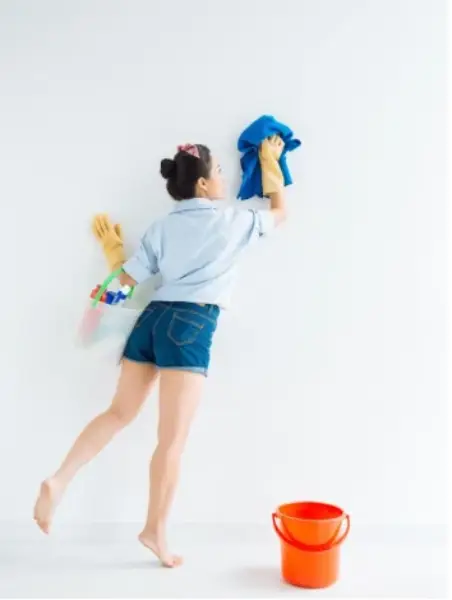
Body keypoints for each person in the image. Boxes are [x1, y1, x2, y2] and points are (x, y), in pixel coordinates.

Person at [33, 136, 287, 567]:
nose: (224, 178)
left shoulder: (161, 227)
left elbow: (127, 282)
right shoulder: (232, 222)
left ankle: (59, 479)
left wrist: (102, 298)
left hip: (151, 320)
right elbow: (280, 213)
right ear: (204, 186)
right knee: (171, 441)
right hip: (192, 324)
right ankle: (155, 531)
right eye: (220, 173)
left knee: (118, 413)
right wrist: (271, 165)